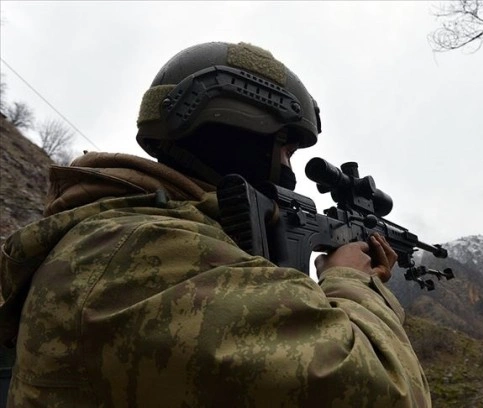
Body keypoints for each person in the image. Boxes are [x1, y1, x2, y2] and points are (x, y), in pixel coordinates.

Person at [0, 41, 430, 407]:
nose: (288, 167)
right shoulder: (136, 249)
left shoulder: (129, 232)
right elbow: (385, 392)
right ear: (241, 125)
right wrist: (351, 281)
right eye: (285, 148)